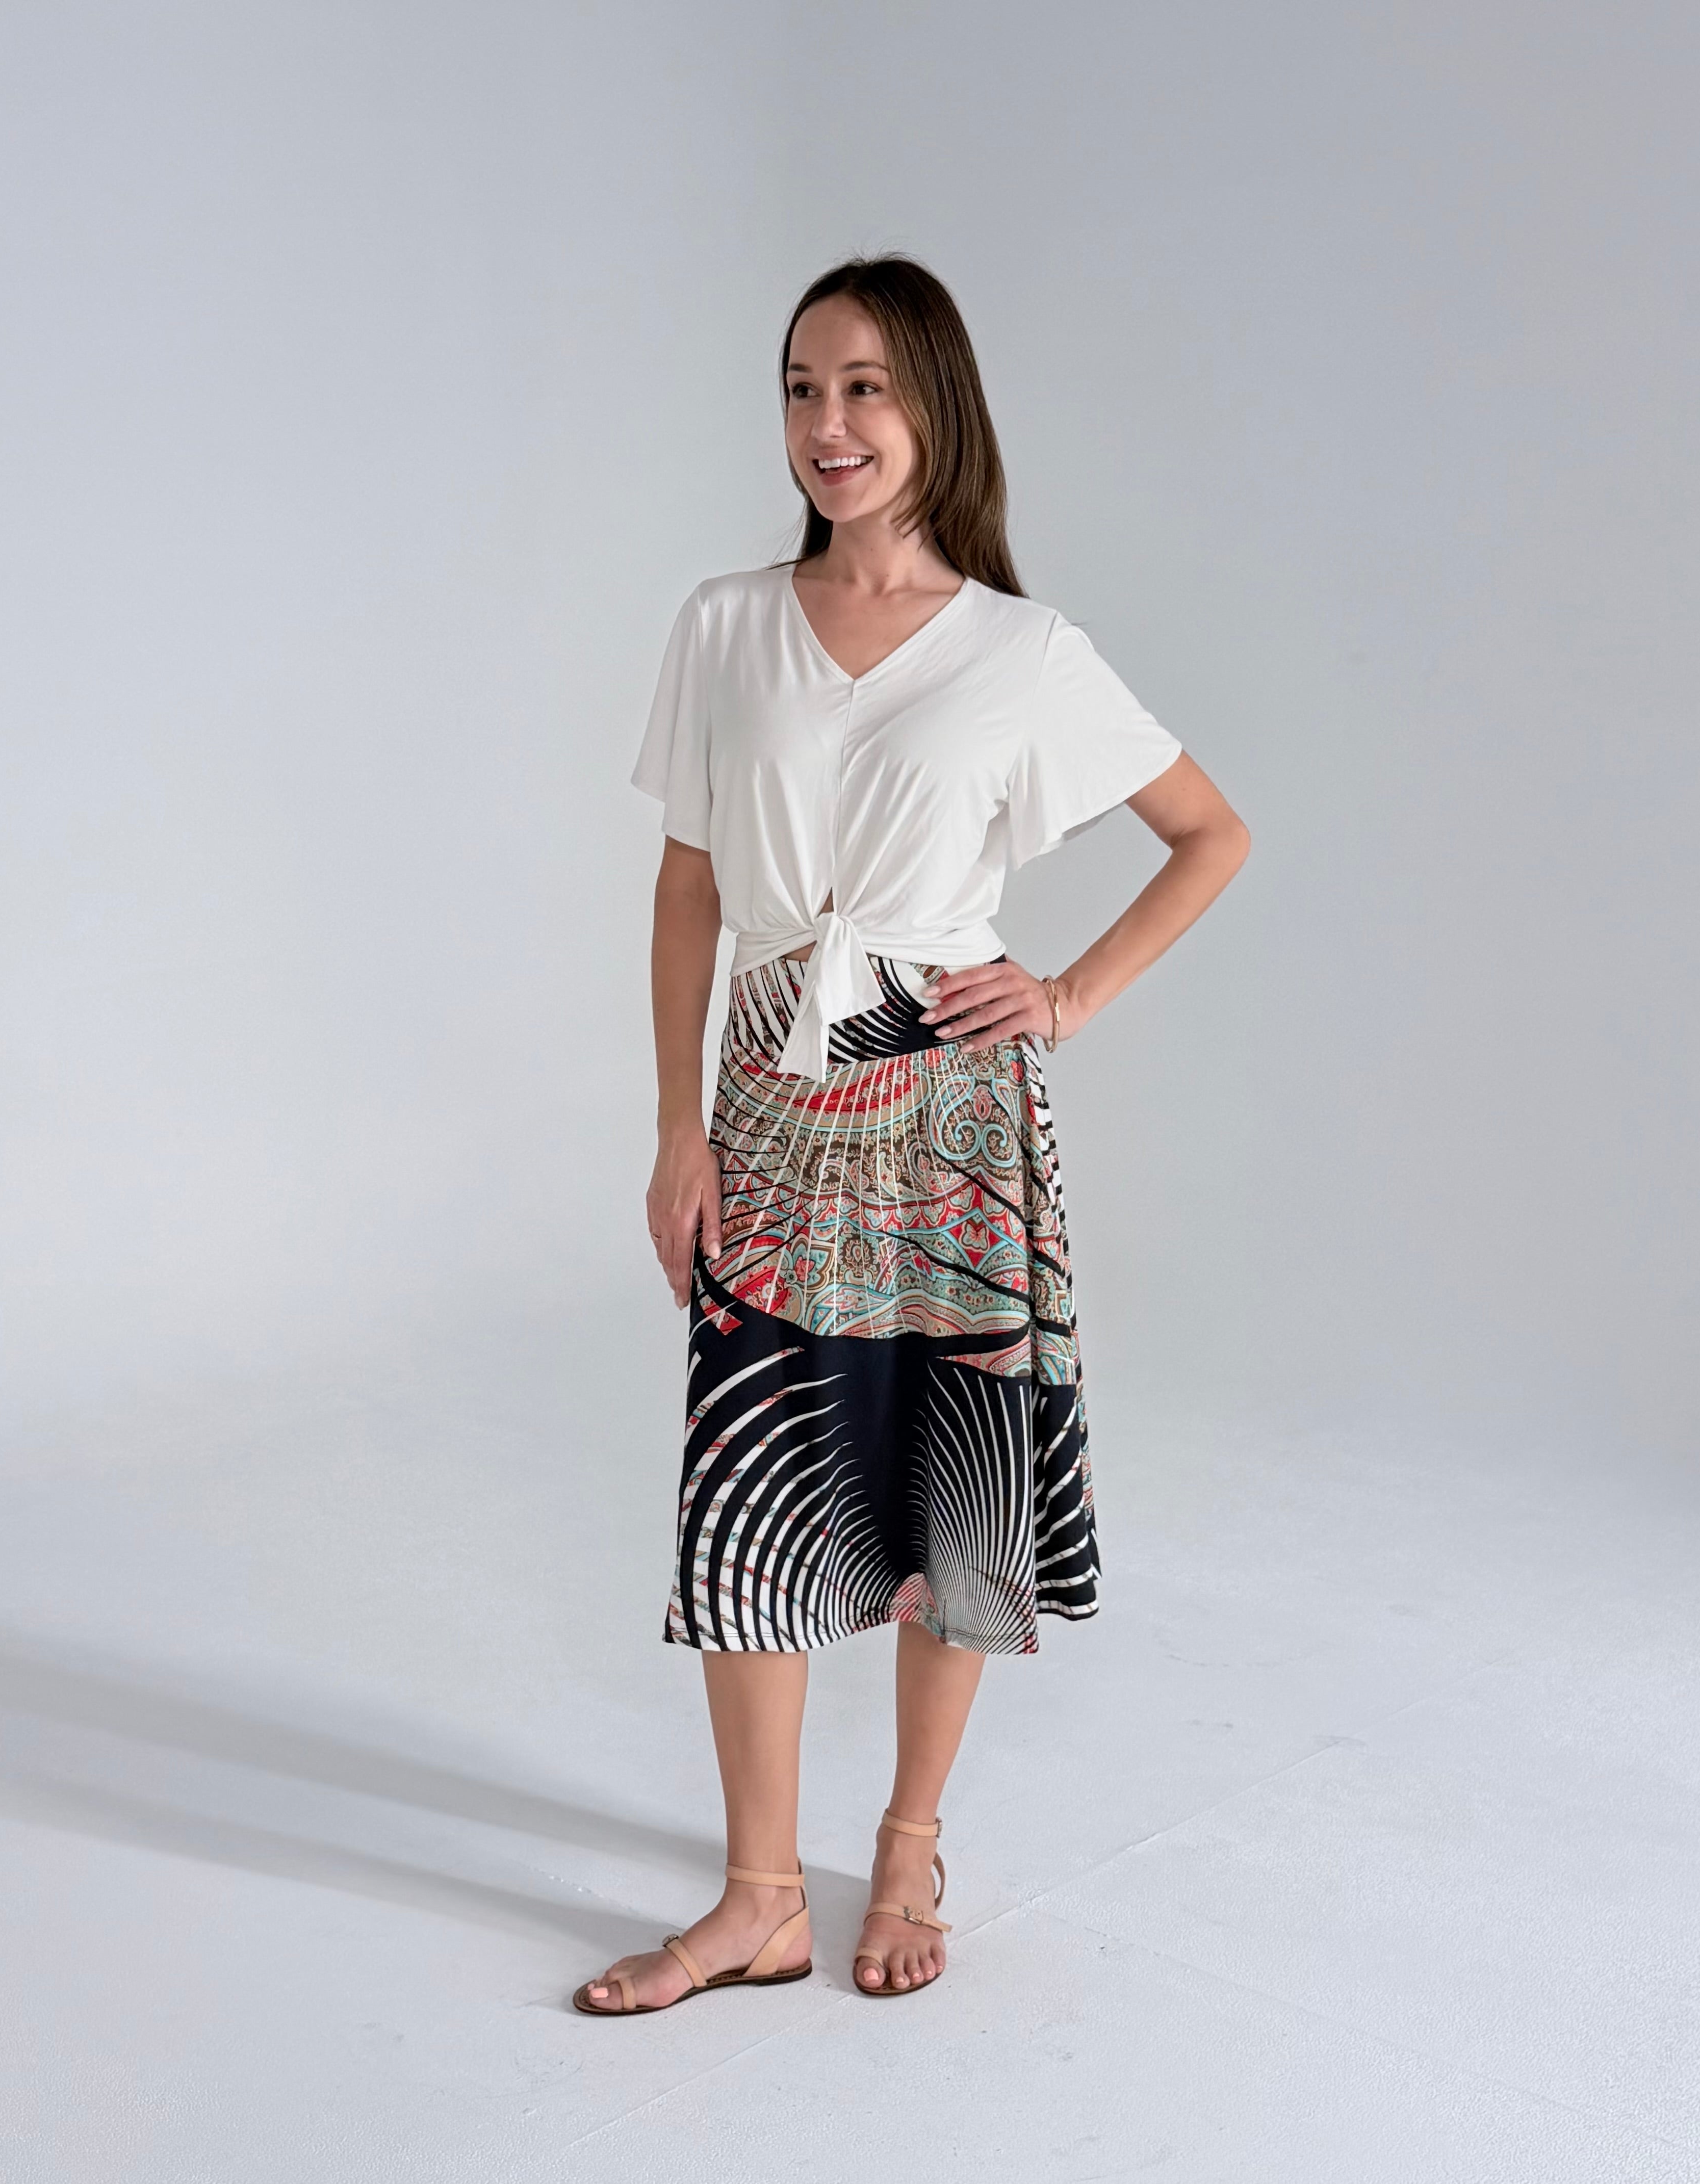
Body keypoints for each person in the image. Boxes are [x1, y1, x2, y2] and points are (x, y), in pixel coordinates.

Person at [574, 254, 1249, 2015]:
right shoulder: (726, 622)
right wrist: (675, 1130)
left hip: (951, 1117)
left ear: (932, 403)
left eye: (864, 387)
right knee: (749, 1489)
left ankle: (907, 1841)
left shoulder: (1023, 652)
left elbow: (1208, 833)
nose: (828, 425)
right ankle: (753, 1896)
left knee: (954, 1479)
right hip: (769, 1106)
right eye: (801, 389)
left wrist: (1068, 994)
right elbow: (686, 894)